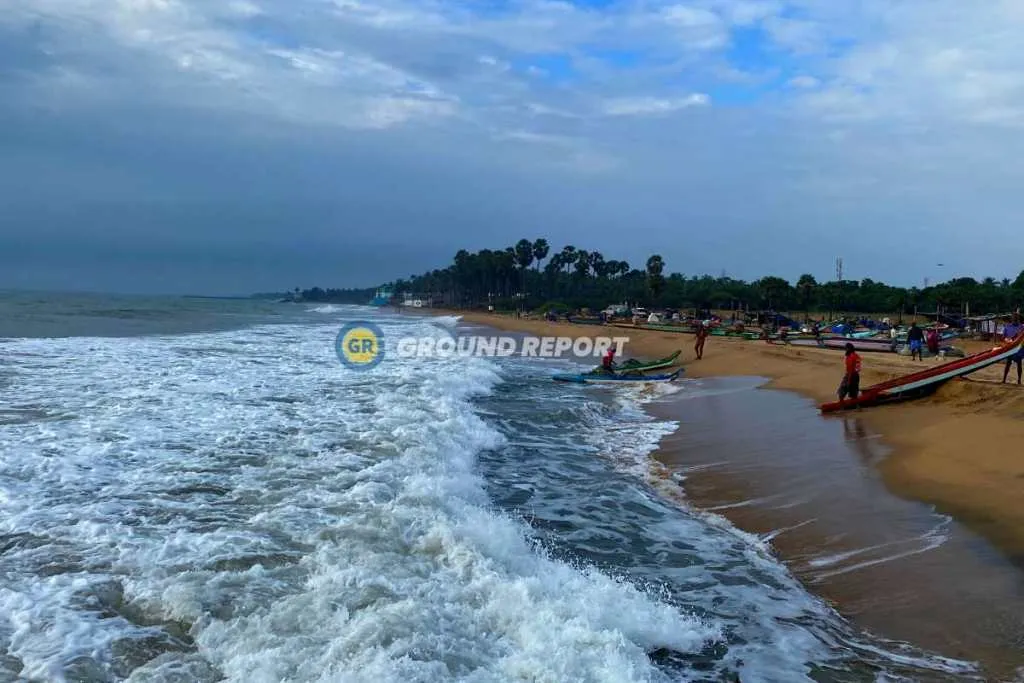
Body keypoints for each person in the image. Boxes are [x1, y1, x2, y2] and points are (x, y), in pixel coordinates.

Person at [1002, 314, 1023, 384]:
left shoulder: (1022, 327)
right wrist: (1007, 340)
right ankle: (1004, 379)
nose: (1015, 320)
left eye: (1016, 318)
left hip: (1018, 349)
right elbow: (1003, 337)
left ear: (1018, 319)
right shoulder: (1007, 327)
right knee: (1008, 363)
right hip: (1009, 348)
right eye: (1014, 318)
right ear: (1012, 319)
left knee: (1019, 364)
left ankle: (1019, 380)